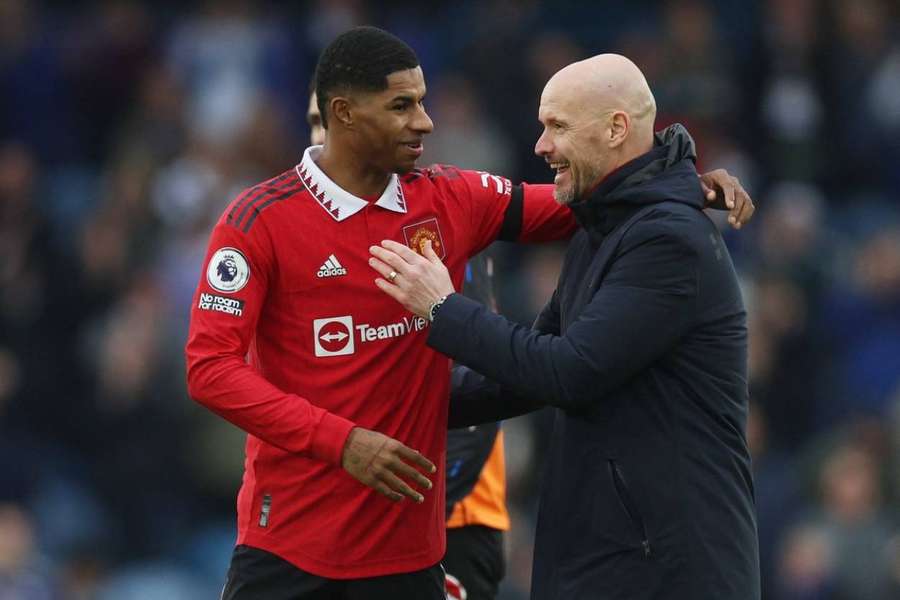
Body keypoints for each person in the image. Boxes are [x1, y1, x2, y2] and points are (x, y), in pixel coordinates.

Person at [186, 26, 753, 599]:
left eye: (423, 102)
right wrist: (343, 441)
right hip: (288, 550)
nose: (425, 122)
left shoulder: (450, 199)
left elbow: (588, 193)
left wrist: (679, 181)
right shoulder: (258, 221)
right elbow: (209, 369)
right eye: (402, 106)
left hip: (409, 559)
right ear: (345, 114)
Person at [370, 54, 760, 599]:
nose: (540, 146)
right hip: (613, 557)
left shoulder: (668, 241)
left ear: (616, 128)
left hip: (668, 569)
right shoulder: (606, 229)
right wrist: (385, 409)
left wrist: (443, 308)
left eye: (557, 126)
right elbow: (529, 368)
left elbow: (568, 371)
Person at [310, 87, 508, 600]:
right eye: (314, 123)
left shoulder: (436, 226)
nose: (322, 138)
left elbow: (478, 391)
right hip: (337, 528)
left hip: (450, 519)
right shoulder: (298, 240)